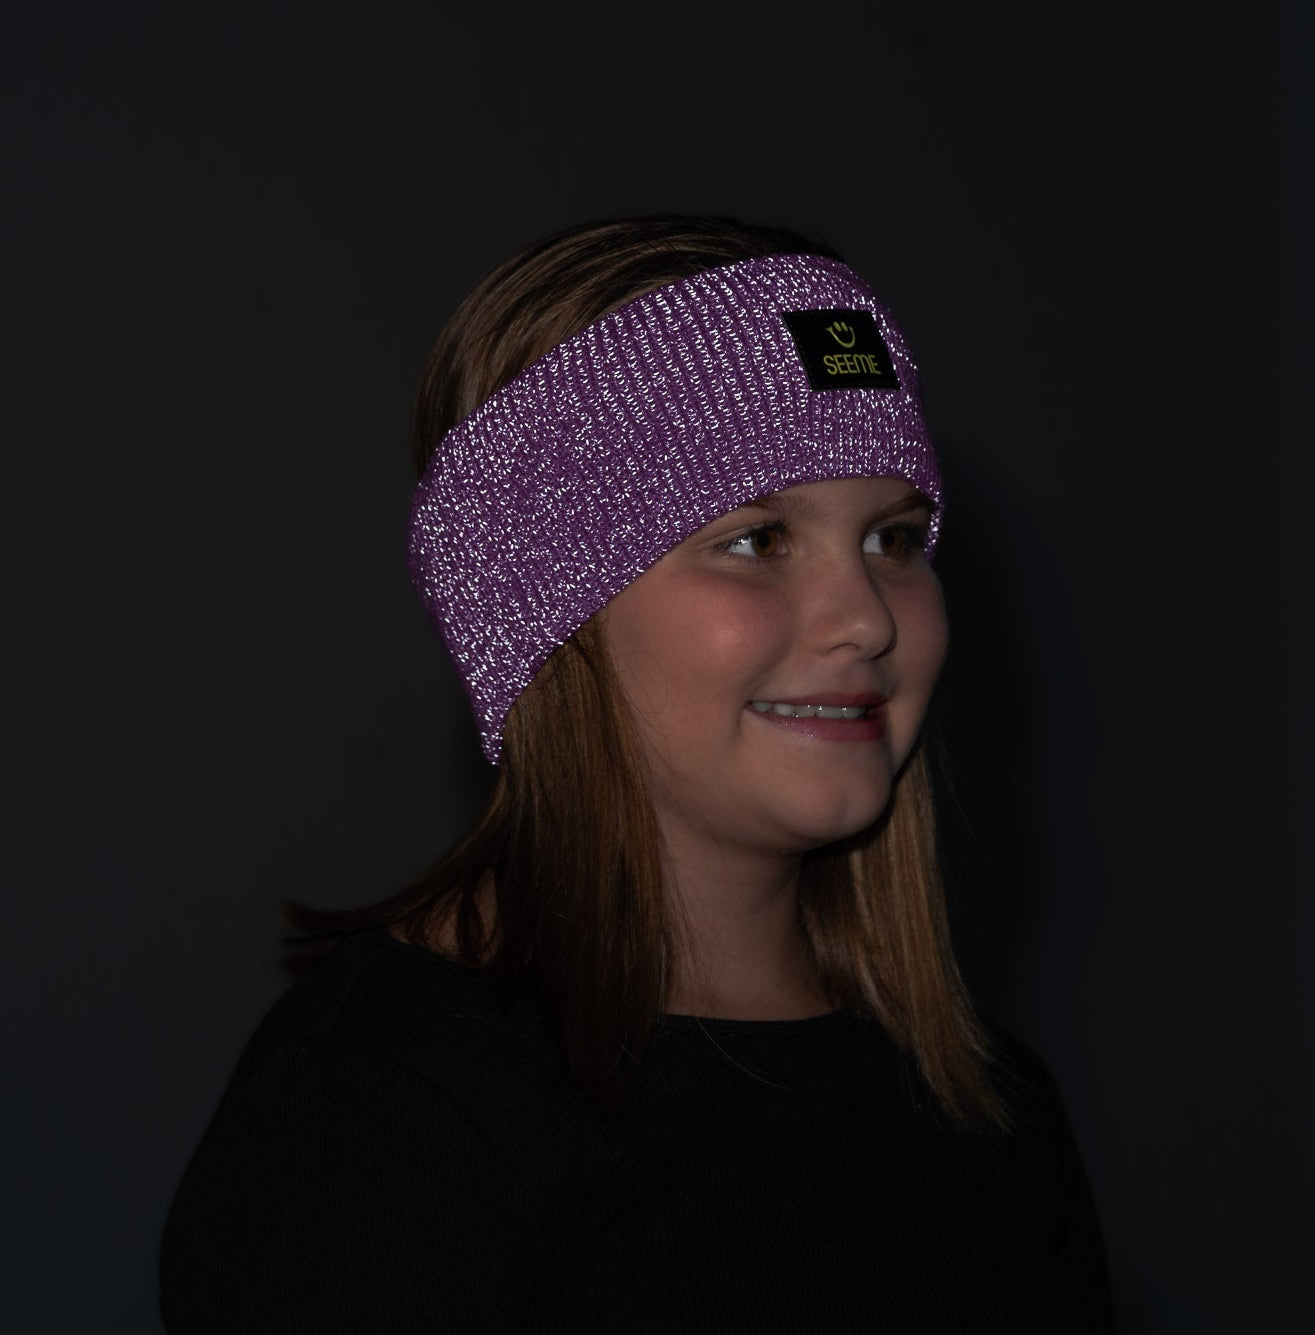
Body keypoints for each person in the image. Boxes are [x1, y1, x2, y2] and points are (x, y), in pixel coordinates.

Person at [160, 216, 1113, 1332]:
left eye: (893, 540)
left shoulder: (988, 1103)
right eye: (757, 540)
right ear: (543, 606)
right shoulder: (385, 1099)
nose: (864, 618)